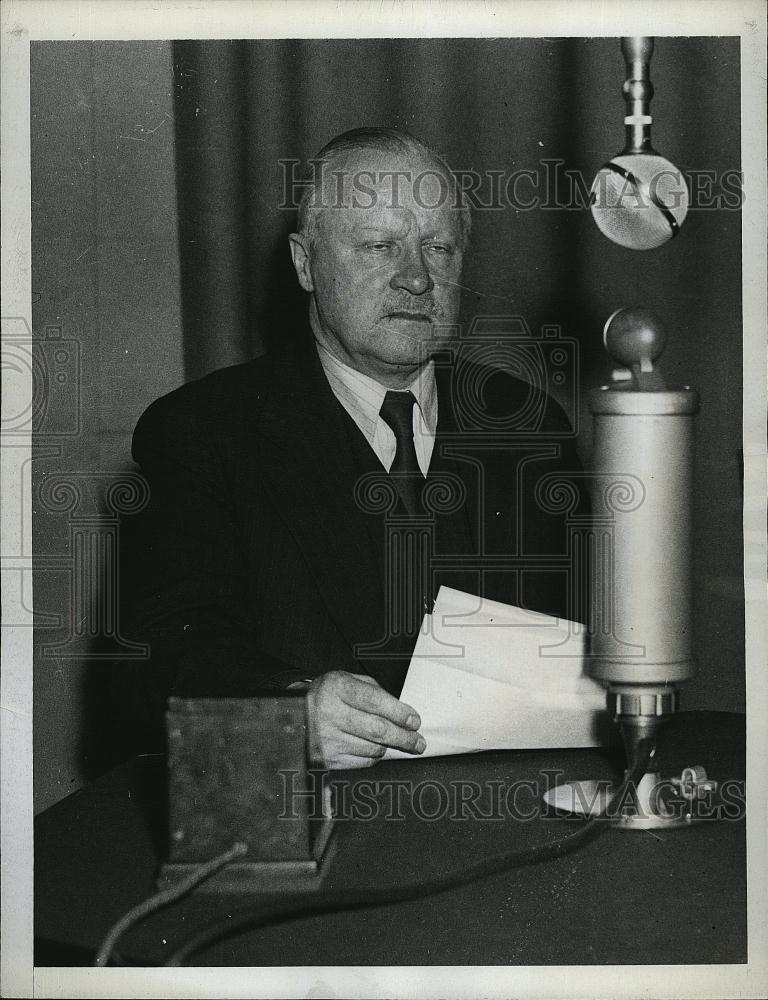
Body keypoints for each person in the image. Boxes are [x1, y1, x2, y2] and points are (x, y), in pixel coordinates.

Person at [121, 127, 587, 769]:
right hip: (324, 830)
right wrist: (291, 714)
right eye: (378, 246)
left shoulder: (527, 423)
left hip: (514, 816)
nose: (417, 279)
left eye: (439, 248)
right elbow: (164, 656)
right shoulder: (203, 432)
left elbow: (594, 649)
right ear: (305, 264)